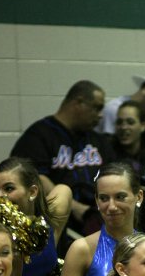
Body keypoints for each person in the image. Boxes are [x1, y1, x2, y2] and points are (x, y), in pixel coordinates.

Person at [48, 161, 142, 276]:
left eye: (120, 197)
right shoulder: (82, 248)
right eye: (104, 198)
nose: (112, 206)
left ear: (138, 196)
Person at [10, 80, 114, 236]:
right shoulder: (39, 135)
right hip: (57, 222)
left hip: (100, 216)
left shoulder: (97, 140)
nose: (100, 115)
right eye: (96, 108)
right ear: (78, 103)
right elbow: (36, 177)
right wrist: (74, 207)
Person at [0, 156, 71, 276]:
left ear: (32, 191)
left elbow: (64, 191)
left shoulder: (46, 228)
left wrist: (28, 221)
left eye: (8, 189)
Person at [112, 100, 145, 189]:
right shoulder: (109, 154)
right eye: (119, 122)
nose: (124, 127)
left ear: (143, 126)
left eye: (130, 122)